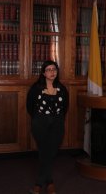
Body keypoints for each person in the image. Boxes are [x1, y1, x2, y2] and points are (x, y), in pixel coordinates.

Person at [27, 60, 69, 194]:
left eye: (54, 69)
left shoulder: (62, 89)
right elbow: (30, 107)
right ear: (43, 73)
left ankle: (40, 183)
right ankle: (48, 184)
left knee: (50, 153)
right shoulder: (36, 88)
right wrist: (39, 119)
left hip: (57, 124)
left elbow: (65, 108)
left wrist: (58, 120)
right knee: (44, 151)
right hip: (40, 123)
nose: (52, 72)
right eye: (49, 70)